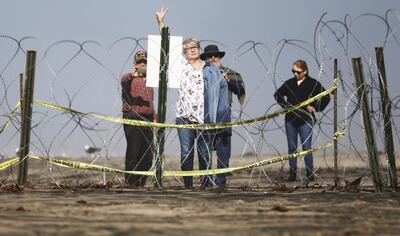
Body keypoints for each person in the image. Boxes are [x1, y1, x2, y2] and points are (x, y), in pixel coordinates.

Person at [156, 7, 230, 189]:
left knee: (204, 153)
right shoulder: (181, 66)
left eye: (195, 47)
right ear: (184, 53)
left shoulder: (210, 68)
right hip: (184, 116)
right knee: (186, 152)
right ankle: (188, 185)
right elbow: (168, 47)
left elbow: (221, 89)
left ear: (199, 50)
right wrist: (160, 23)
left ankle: (205, 184)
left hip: (205, 117)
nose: (192, 50)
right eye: (188, 48)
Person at [274, 60, 330, 182]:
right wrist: (286, 106)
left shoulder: (312, 83)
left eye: (298, 72)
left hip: (306, 120)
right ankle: (292, 174)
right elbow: (277, 94)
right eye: (293, 71)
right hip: (290, 120)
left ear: (305, 71)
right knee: (292, 148)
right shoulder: (289, 83)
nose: (295, 74)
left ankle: (310, 174)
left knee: (306, 147)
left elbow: (326, 96)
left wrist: (315, 106)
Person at [200, 45, 245, 188]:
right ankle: (206, 182)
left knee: (223, 151)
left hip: (224, 115)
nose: (213, 58)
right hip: (205, 116)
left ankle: (221, 182)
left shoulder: (231, 73)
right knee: (205, 151)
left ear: (220, 57)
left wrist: (227, 81)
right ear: (205, 59)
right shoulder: (201, 73)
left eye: (216, 56)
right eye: (209, 56)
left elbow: (240, 91)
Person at [121, 50, 156, 187]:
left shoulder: (150, 81)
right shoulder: (129, 79)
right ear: (135, 64)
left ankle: (141, 181)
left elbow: (151, 102)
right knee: (134, 152)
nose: (142, 65)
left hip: (147, 118)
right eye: (139, 62)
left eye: (145, 62)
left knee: (147, 155)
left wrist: (154, 117)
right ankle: (131, 182)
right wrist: (132, 74)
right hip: (133, 117)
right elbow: (123, 79)